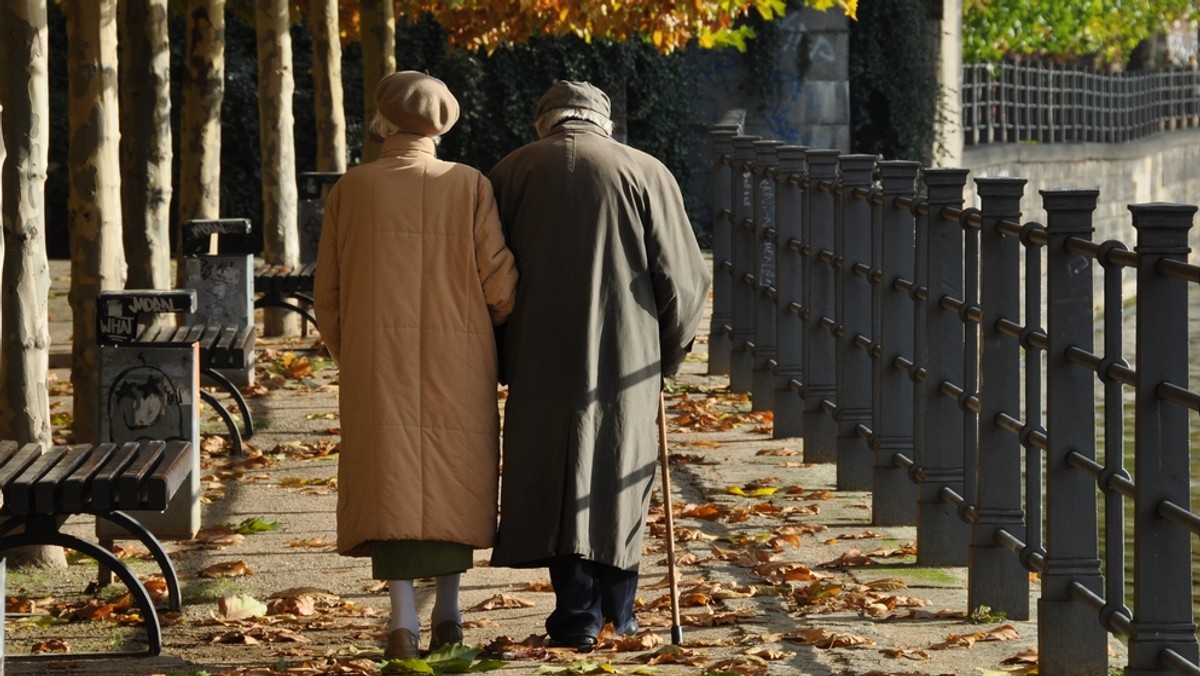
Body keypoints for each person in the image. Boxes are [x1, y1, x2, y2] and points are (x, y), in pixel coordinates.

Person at [487, 80, 710, 651]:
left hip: (537, 350)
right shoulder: (645, 171)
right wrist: (668, 351)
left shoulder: (509, 172)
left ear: (546, 120)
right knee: (618, 470)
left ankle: (575, 613)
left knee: (557, 474)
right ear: (601, 121)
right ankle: (620, 612)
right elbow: (682, 282)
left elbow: (488, 275)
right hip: (628, 347)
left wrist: (498, 348)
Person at [314, 71, 518, 660]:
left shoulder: (352, 189)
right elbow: (499, 282)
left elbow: (327, 294)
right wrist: (494, 325)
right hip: (461, 358)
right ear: (443, 125)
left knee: (391, 481)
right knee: (455, 477)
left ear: (382, 121)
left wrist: (351, 353)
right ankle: (449, 613)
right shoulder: (470, 184)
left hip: (378, 362)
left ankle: (403, 621)